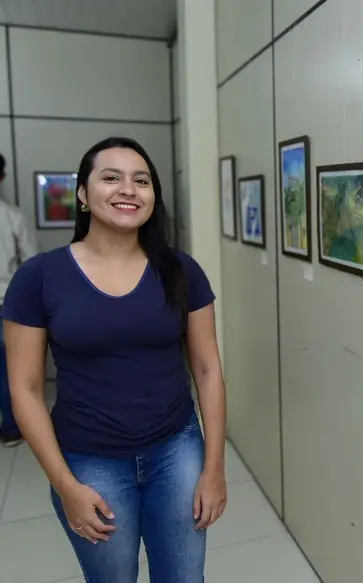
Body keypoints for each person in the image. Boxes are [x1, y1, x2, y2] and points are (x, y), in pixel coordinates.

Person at [1, 137, 227, 583]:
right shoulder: (38, 277)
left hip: (176, 450)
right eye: (111, 178)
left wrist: (214, 467)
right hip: (89, 460)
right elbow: (24, 389)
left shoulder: (180, 271)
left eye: (141, 181)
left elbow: (207, 370)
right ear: (83, 194)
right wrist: (65, 485)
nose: (128, 189)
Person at [0, 153, 37, 447]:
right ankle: (12, 429)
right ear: (2, 177)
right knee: (8, 366)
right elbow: (31, 262)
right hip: (6, 300)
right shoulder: (11, 216)